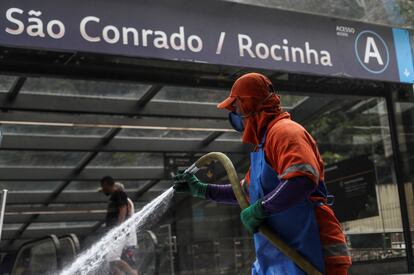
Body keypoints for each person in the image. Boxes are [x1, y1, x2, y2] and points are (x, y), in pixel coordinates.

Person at [173, 73, 351, 275]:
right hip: (280, 257)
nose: (234, 115)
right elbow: (244, 194)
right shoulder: (263, 146)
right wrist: (203, 190)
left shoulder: (285, 132)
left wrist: (262, 209)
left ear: (249, 105)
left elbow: (302, 180)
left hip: (310, 252)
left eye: (235, 108)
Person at [100, 176, 138, 275]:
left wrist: (119, 227)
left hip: (118, 232)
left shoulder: (119, 194)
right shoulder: (114, 197)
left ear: (107, 185)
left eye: (103, 187)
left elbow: (123, 209)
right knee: (111, 263)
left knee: (112, 258)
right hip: (115, 232)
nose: (103, 190)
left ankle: (132, 273)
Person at [114, 182, 138, 270]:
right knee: (116, 264)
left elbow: (125, 219)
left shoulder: (125, 201)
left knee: (127, 264)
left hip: (127, 240)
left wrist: (119, 231)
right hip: (125, 239)